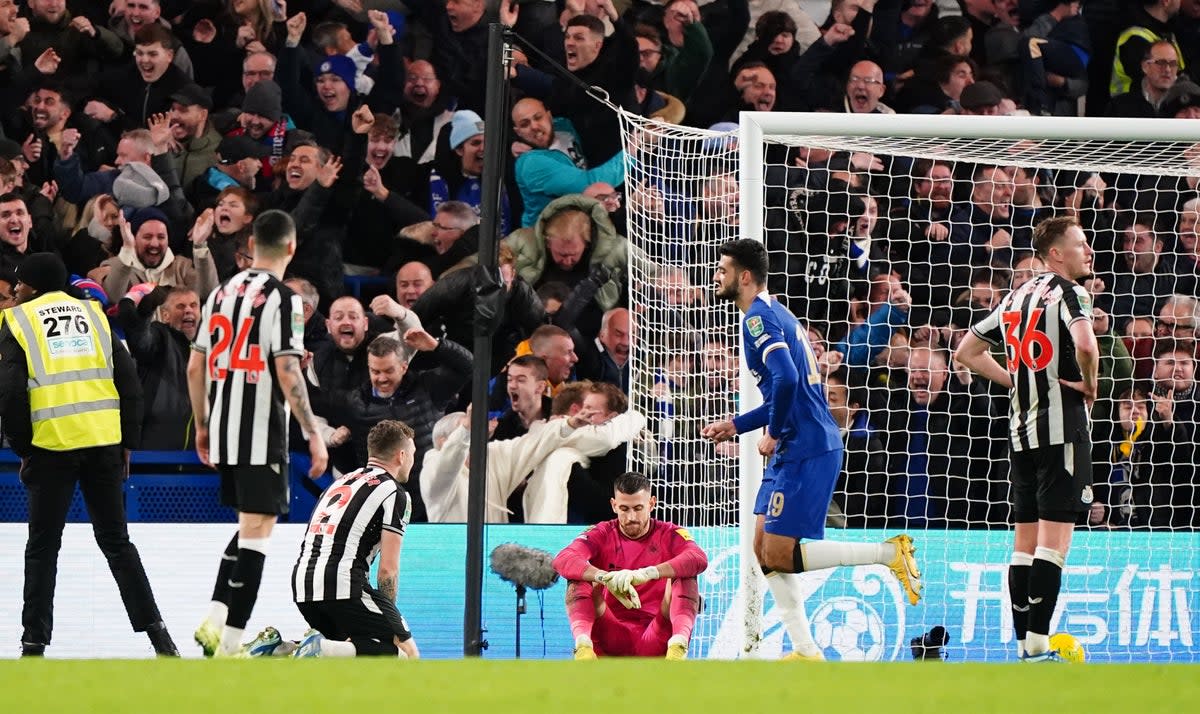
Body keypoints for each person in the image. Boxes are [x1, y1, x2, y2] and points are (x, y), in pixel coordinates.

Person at [699, 239, 921, 661]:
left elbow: (785, 380)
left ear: (744, 277)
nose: (716, 276)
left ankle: (888, 553)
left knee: (780, 552)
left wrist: (774, 431)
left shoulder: (758, 320)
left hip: (807, 444)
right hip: (798, 442)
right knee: (763, 549)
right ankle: (805, 649)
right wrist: (737, 425)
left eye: (722, 269)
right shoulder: (778, 313)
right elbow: (790, 385)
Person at [0, 252, 178, 657]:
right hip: (103, 445)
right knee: (117, 542)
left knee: (43, 546)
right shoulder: (95, 316)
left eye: (18, 285)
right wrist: (127, 441)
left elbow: (9, 395)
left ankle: (33, 643)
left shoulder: (18, 322)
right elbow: (128, 380)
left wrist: (23, 448)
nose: (14, 291)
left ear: (32, 286)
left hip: (51, 446)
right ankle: (159, 635)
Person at [954, 215, 1098, 662]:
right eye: (1080, 244)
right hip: (1062, 431)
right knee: (1054, 545)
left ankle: (1022, 643)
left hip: (1021, 435)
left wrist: (1013, 381)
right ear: (1056, 253)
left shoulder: (1017, 295)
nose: (1089, 251)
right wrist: (1090, 385)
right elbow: (1087, 346)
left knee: (1024, 544)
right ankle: (1037, 645)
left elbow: (966, 352)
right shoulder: (1070, 293)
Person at [187, 209, 329, 657]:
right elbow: (287, 369)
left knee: (249, 524)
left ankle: (214, 620)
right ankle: (228, 646)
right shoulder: (283, 298)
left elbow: (195, 366)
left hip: (226, 428)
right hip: (261, 430)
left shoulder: (219, 294)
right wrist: (313, 431)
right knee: (259, 534)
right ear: (291, 247)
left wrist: (204, 425)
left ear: (250, 245)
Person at [279, 420, 420, 658]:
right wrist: (388, 616)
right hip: (345, 583)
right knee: (404, 652)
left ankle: (281, 649)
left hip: (304, 584)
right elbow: (388, 569)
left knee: (350, 652)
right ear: (402, 455)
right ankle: (319, 648)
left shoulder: (340, 482)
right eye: (413, 454)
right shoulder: (394, 492)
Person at [552, 472, 708, 660]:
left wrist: (648, 573)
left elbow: (698, 558)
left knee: (685, 573)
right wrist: (604, 577)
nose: (631, 517)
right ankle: (583, 646)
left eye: (638, 508)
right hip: (610, 632)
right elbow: (563, 559)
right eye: (624, 509)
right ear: (613, 505)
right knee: (578, 575)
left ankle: (678, 646)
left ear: (651, 503)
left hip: (658, 632)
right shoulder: (601, 533)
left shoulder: (670, 533)